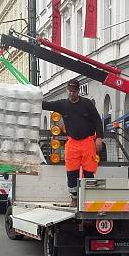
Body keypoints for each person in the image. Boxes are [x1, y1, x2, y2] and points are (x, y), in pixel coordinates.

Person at [42, 78, 104, 207]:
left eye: (74, 91)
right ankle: (74, 199)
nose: (71, 94)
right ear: (67, 90)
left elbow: (97, 120)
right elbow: (46, 105)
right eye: (69, 91)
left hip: (87, 141)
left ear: (78, 91)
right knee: (71, 172)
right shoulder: (63, 105)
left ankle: (87, 198)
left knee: (89, 171)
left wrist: (99, 138)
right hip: (72, 143)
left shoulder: (87, 104)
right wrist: (33, 98)